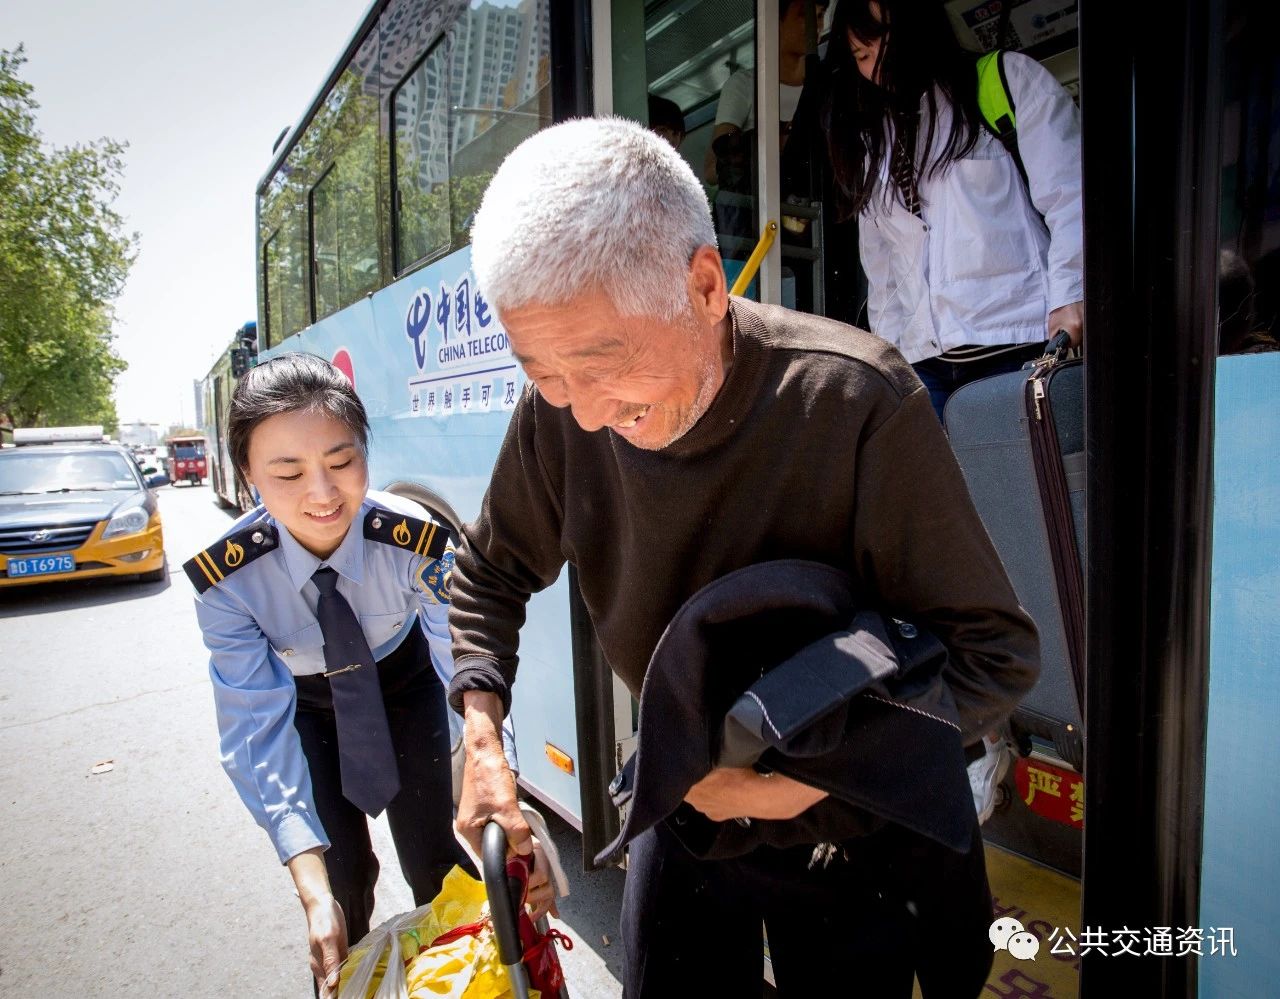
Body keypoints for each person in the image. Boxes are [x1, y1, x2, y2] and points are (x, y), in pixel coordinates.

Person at [448, 117, 1039, 997]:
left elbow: (995, 655)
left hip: (852, 824)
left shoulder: (855, 401)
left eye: (604, 364)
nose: (585, 412)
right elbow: (490, 573)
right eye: (543, 373)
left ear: (704, 286)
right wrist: (483, 740)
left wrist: (796, 785)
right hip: (681, 809)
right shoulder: (560, 415)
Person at [183, 354, 539, 996]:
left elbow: (463, 662)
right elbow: (256, 728)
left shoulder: (414, 540)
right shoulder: (228, 581)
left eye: (342, 461)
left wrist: (499, 788)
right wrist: (312, 892)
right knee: (339, 884)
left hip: (405, 684)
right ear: (247, 474)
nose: (323, 494)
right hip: (304, 705)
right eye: (288, 473)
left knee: (442, 864)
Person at [822, 0, 1085, 421]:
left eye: (886, 44)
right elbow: (883, 266)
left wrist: (1071, 294)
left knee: (1015, 465)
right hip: (922, 366)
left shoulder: (1005, 82)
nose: (879, 67)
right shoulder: (874, 140)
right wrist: (888, 361)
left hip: (1016, 342)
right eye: (863, 56)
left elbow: (1070, 196)